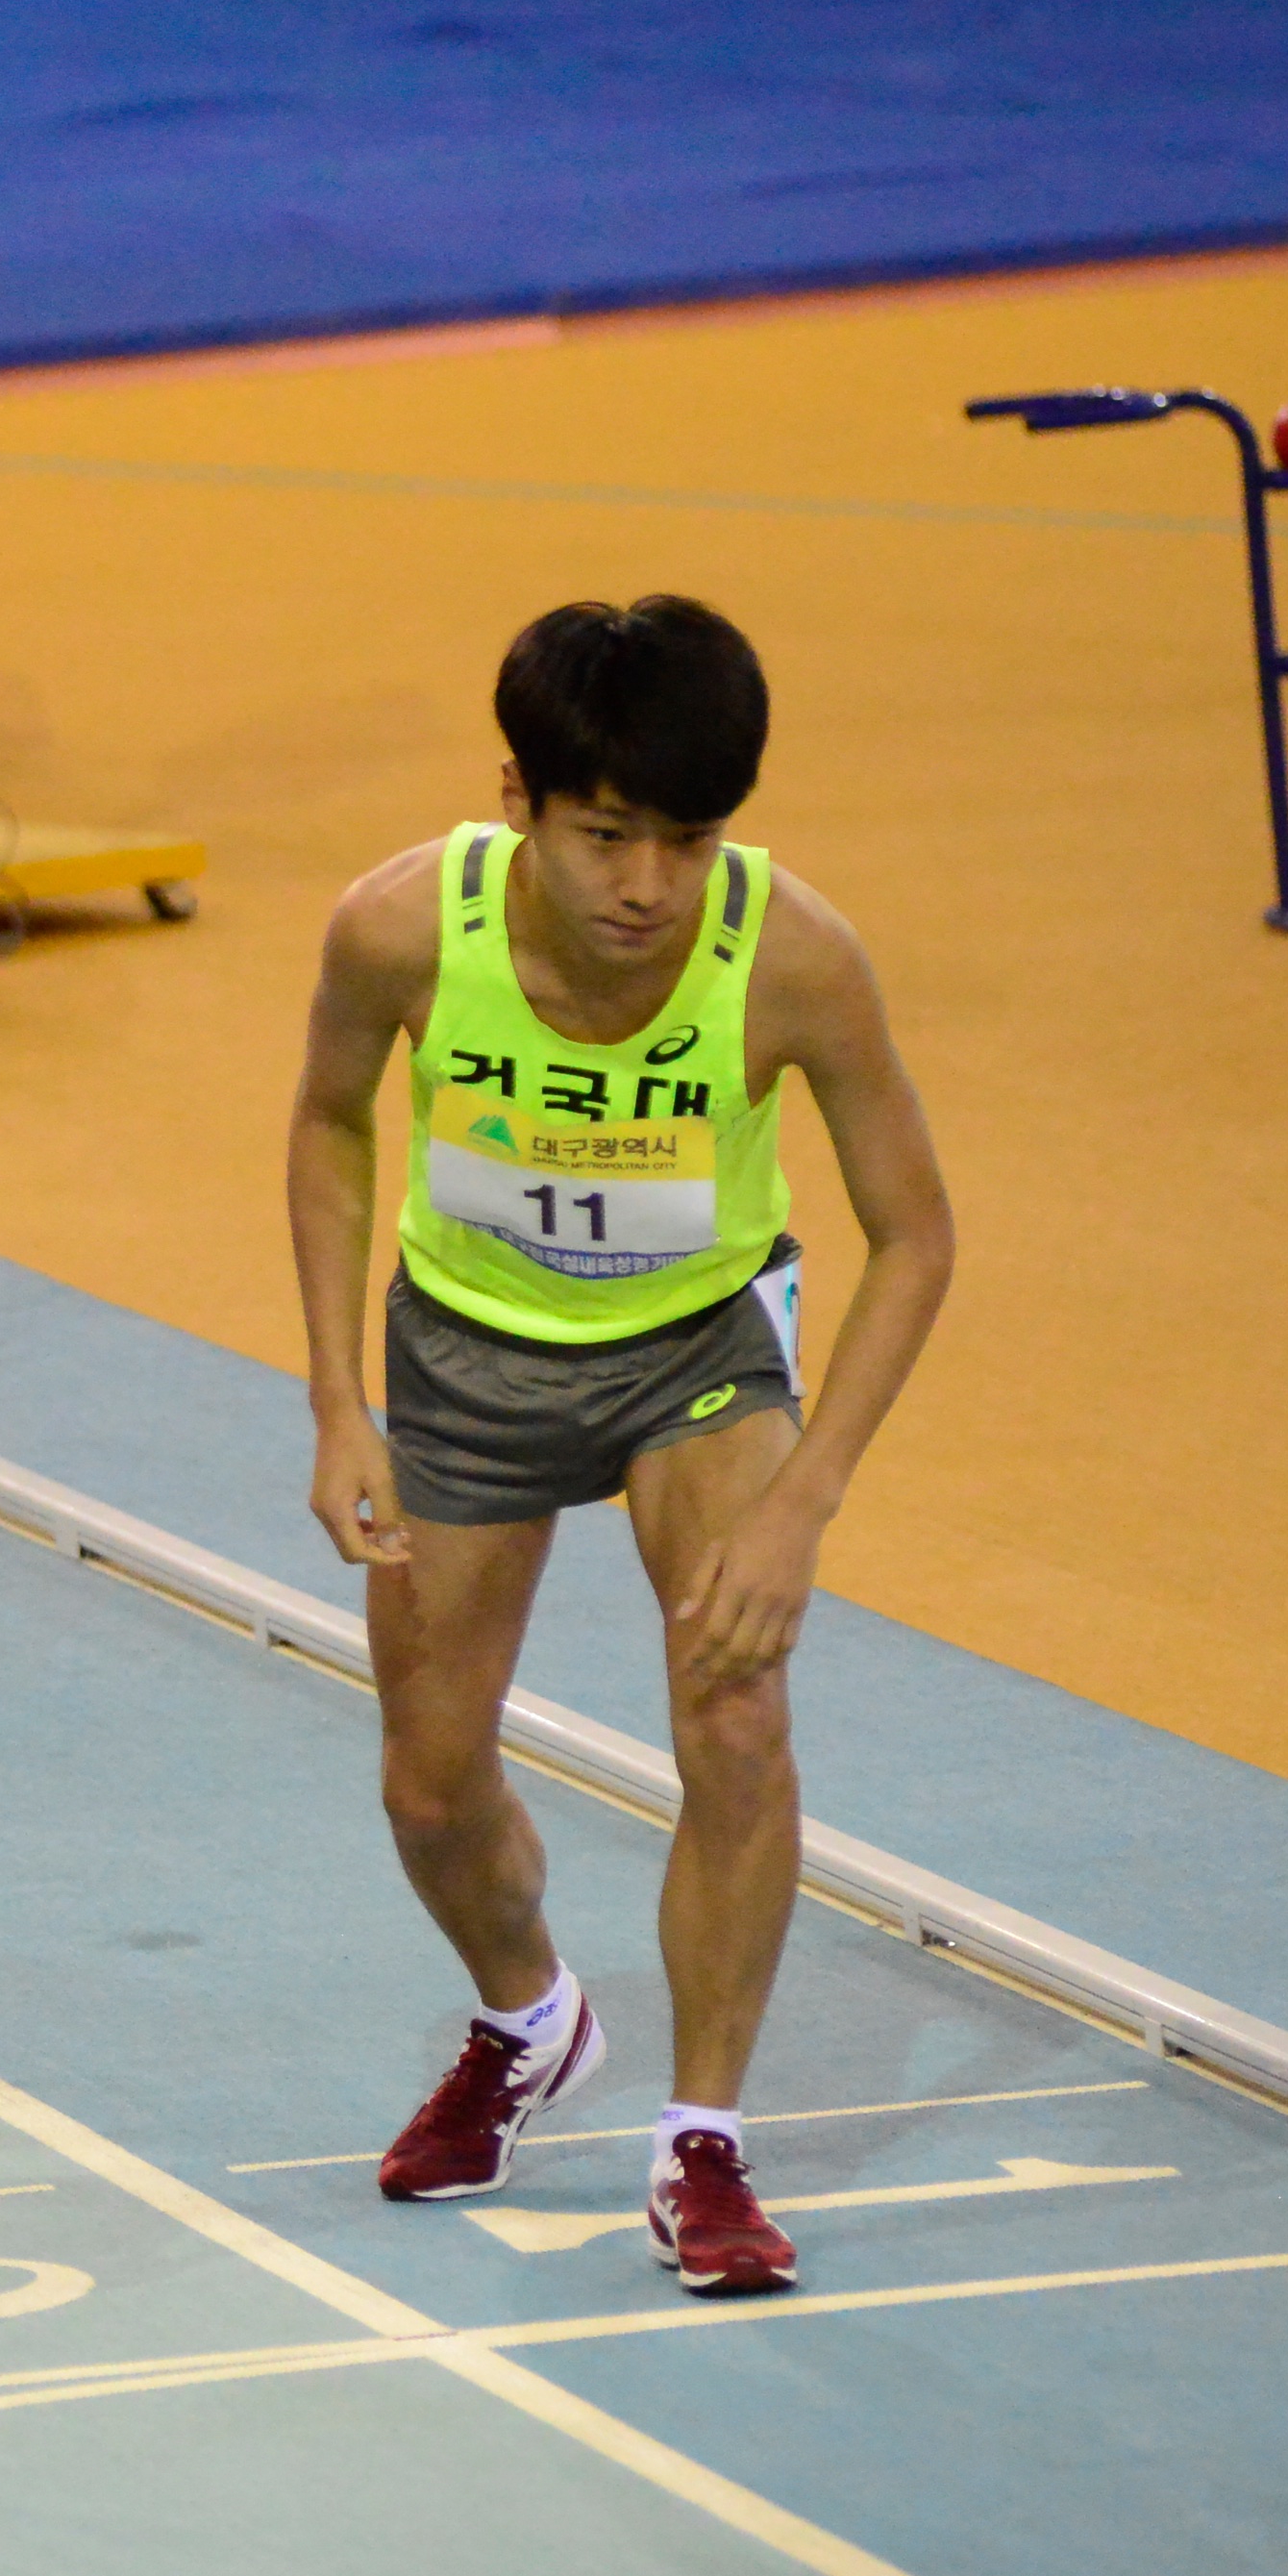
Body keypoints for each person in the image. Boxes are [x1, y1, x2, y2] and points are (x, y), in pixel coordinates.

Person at [283, 597, 956, 2295]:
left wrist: (805, 1501)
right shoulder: (398, 932)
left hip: (697, 1361)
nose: (648, 884)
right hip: (465, 1354)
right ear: (518, 794)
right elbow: (327, 1122)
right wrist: (333, 1399)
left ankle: (700, 2140)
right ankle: (532, 2022)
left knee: (735, 1713)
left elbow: (917, 1236)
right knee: (430, 1782)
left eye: (688, 839)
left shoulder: (793, 958)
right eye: (606, 836)